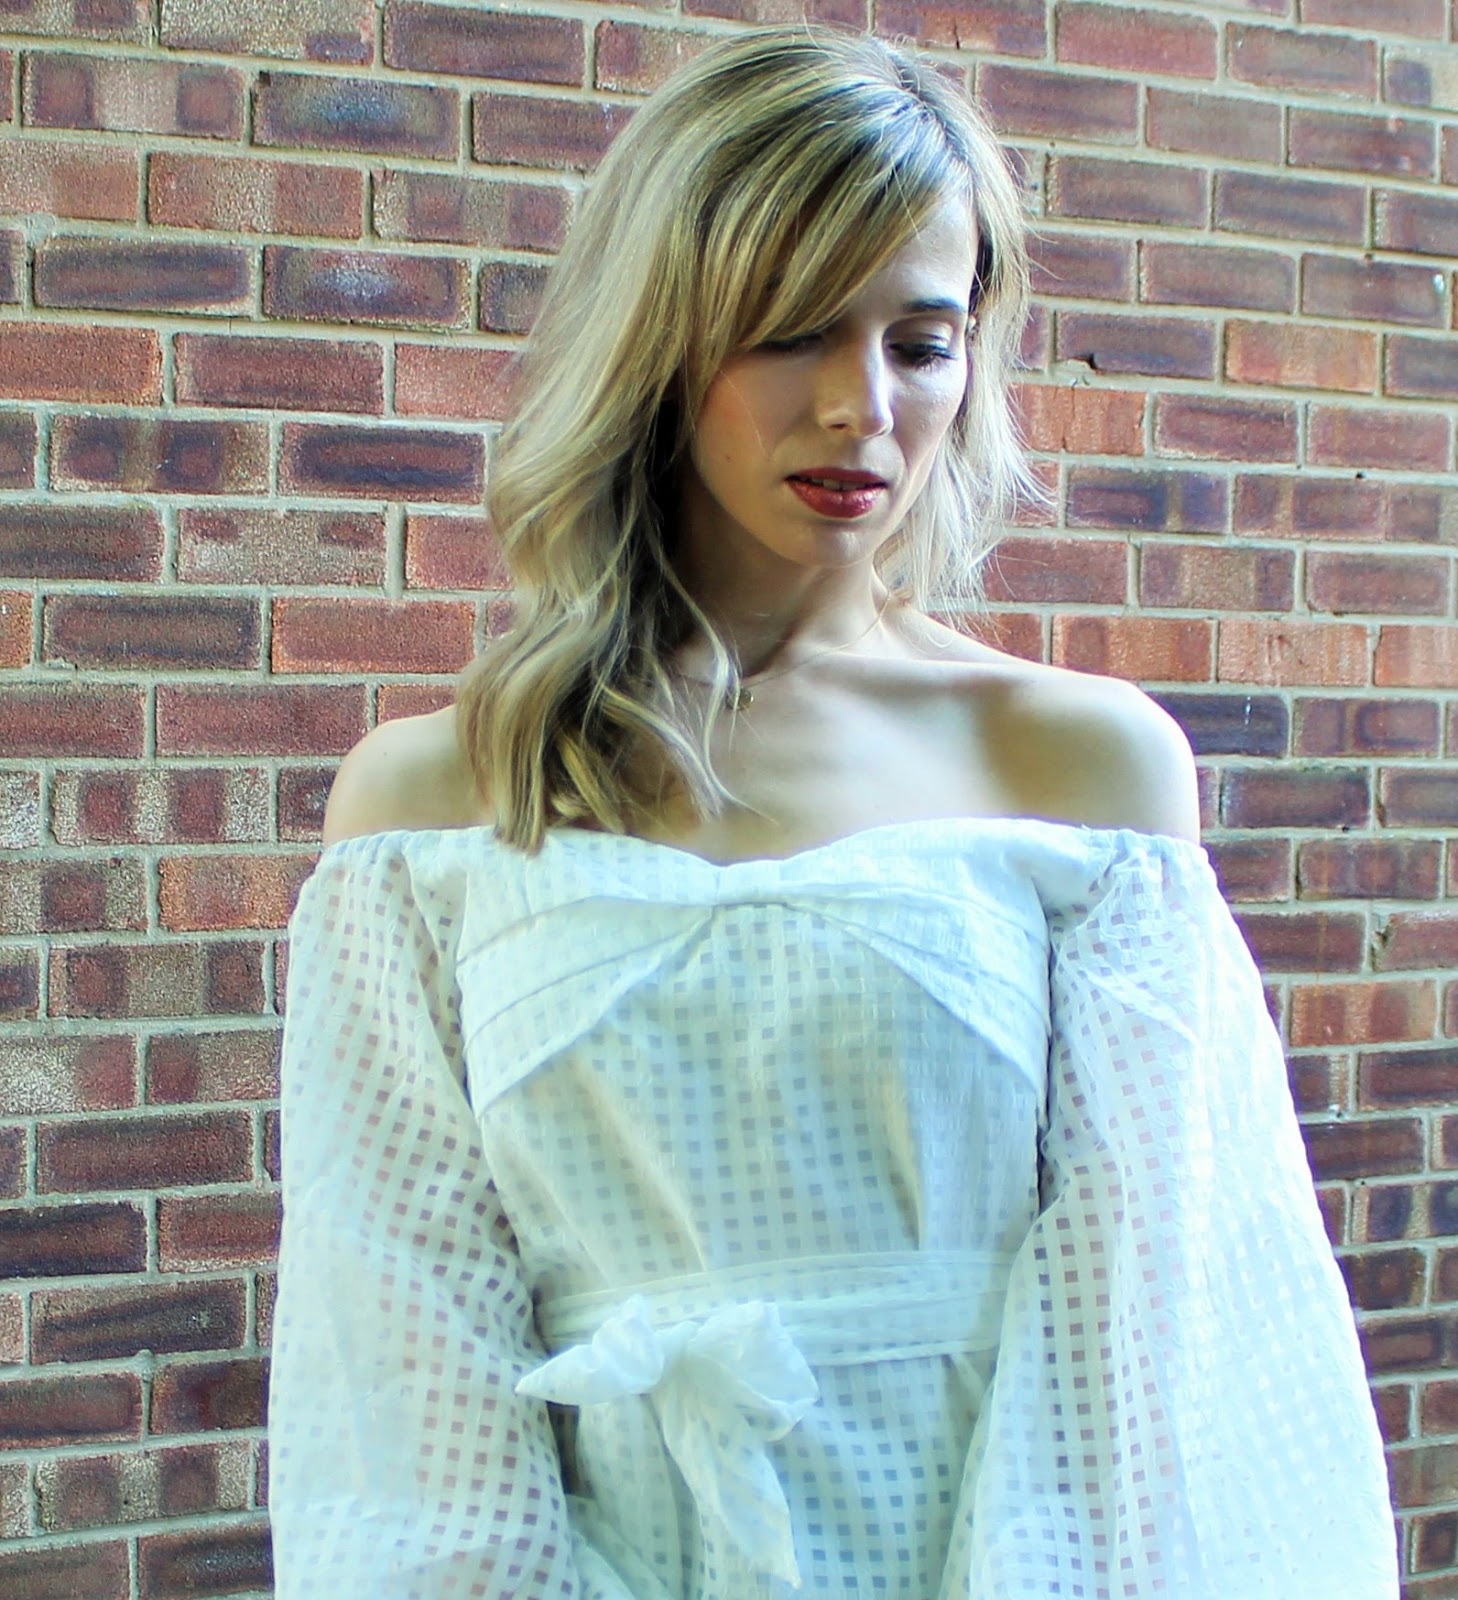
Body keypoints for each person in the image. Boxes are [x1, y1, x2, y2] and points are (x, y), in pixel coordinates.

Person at [267, 25, 1399, 1600]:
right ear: (661, 337)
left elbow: (1142, 1357)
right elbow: (404, 1367)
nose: (861, 406)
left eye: (919, 341)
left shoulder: (1079, 774)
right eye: (792, 333)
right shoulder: (434, 804)